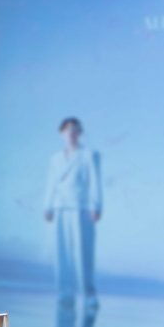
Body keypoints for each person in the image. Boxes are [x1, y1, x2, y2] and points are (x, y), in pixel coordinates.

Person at [42, 116, 102, 312]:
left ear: (80, 133)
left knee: (83, 252)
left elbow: (95, 181)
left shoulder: (88, 155)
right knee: (62, 252)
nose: (71, 133)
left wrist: (96, 206)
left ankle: (89, 294)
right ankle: (65, 292)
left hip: (81, 207)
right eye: (67, 130)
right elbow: (51, 183)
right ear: (62, 133)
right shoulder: (56, 158)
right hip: (61, 207)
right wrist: (48, 206)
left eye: (75, 130)